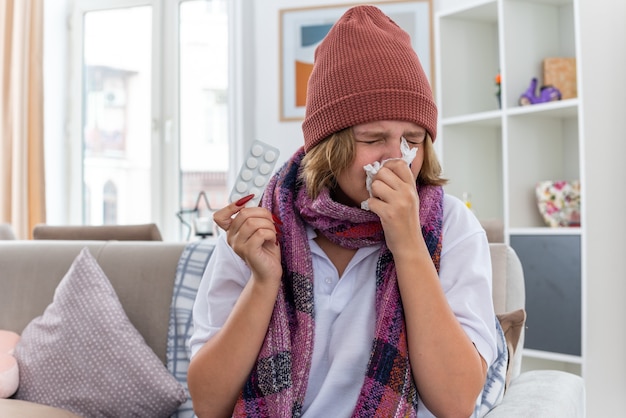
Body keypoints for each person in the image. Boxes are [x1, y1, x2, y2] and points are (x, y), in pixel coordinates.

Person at [187, 5, 506, 418]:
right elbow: (209, 405)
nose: (396, 159)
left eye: (413, 138)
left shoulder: (451, 226)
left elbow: (455, 403)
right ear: (328, 147)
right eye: (372, 139)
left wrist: (408, 244)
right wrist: (264, 282)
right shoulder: (262, 225)